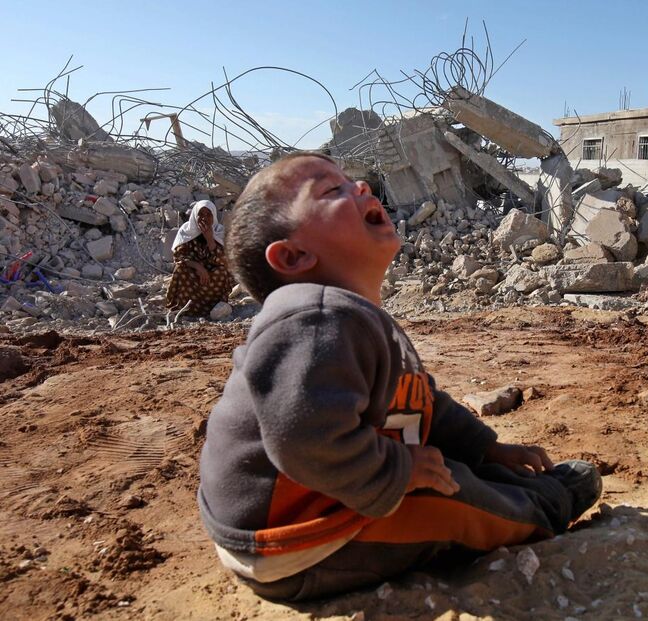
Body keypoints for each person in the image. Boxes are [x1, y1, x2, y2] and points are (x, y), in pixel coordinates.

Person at [197, 152, 602, 601]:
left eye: (353, 182)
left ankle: (505, 480)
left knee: (451, 467)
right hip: (298, 537)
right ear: (294, 256)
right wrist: (402, 469)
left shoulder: (349, 317)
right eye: (334, 191)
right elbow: (302, 438)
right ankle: (548, 505)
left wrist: (487, 447)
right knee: (452, 496)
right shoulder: (311, 318)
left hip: (320, 509)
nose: (362, 188)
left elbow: (421, 402)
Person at [166, 199, 236, 317]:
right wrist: (198, 267)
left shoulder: (219, 232)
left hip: (212, 277)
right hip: (193, 274)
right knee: (180, 270)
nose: (204, 218)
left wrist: (210, 239)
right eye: (201, 214)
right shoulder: (186, 231)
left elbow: (225, 260)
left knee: (222, 272)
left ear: (213, 216)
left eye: (208, 215)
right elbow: (179, 256)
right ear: (195, 215)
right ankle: (184, 308)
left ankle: (213, 309)